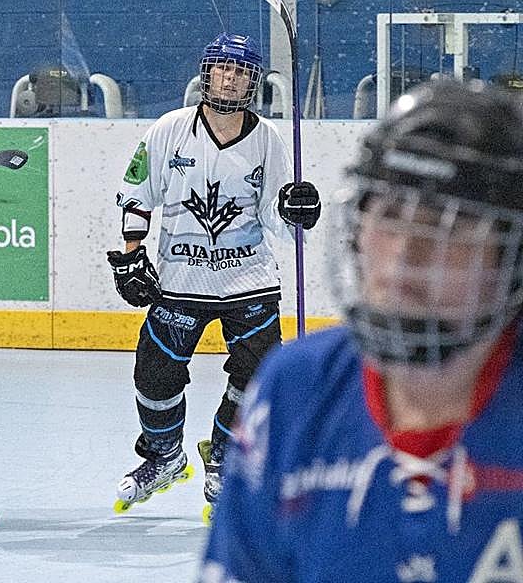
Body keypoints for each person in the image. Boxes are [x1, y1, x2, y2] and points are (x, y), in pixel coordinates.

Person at [201, 78, 523, 583]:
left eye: (447, 225)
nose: (403, 257)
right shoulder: (296, 388)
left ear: (512, 256)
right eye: (388, 216)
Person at [107, 33, 320, 516]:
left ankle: (224, 454)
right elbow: (136, 189)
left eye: (240, 70)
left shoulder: (268, 139)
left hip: (249, 280)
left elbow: (275, 217)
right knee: (153, 377)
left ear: (251, 82)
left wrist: (296, 211)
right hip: (181, 280)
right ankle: (163, 456)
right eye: (221, 68)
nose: (229, 76)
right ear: (207, 74)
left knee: (257, 377)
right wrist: (132, 252)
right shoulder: (170, 129)